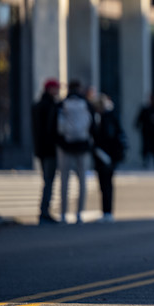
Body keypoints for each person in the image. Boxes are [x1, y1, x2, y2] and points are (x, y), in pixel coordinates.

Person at [56, 79, 95, 224]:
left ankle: (63, 214)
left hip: (65, 147)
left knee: (64, 182)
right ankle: (79, 214)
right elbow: (93, 125)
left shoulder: (62, 104)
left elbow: (56, 126)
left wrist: (60, 143)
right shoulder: (86, 104)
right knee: (82, 182)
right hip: (83, 146)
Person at [92, 93, 127, 223]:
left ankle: (107, 212)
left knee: (105, 185)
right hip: (110, 156)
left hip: (105, 155)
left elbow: (105, 137)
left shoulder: (105, 119)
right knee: (107, 185)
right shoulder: (112, 117)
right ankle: (107, 212)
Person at [32, 79, 61, 224]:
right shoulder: (51, 106)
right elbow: (52, 129)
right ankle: (44, 211)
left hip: (40, 148)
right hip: (49, 149)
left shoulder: (38, 105)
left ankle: (44, 211)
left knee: (47, 180)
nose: (58, 91)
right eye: (56, 88)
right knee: (49, 181)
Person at [134, 93, 154, 169]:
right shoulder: (145, 109)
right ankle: (145, 162)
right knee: (146, 148)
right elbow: (139, 120)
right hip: (146, 133)